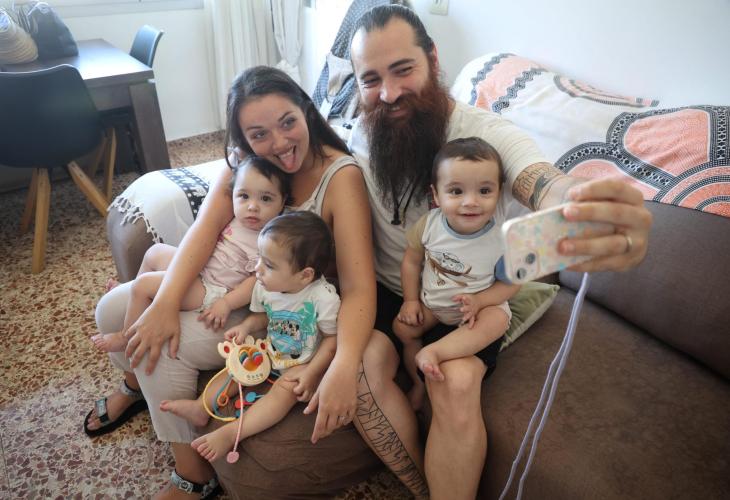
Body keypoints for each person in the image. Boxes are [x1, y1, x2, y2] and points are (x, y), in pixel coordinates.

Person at [346, 5, 653, 499]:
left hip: (468, 300)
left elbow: (540, 181)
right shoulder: (362, 128)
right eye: (371, 79)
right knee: (359, 366)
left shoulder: (487, 134)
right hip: (391, 290)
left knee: (456, 381)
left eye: (403, 70)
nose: (389, 93)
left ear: (433, 59)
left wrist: (577, 208)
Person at [85, 66, 375, 500]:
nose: (279, 143)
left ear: (306, 110)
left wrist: (344, 365)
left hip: (268, 306)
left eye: (288, 123)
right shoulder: (243, 163)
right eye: (259, 134)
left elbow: (358, 287)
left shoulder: (340, 176)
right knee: (112, 309)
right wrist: (164, 302)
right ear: (243, 139)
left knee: (164, 347)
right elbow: (203, 233)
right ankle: (134, 386)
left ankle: (193, 475)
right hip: (228, 284)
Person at [161, 211, 341, 463]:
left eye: (269, 265)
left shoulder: (323, 298)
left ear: (305, 275)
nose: (257, 269)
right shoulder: (266, 286)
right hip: (272, 349)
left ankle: (232, 433)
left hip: (306, 362)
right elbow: (266, 316)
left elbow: (333, 340)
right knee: (238, 365)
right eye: (259, 259)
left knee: (285, 389)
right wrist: (246, 326)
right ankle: (201, 407)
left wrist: (312, 372)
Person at [89, 155, 290, 353]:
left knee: (143, 285)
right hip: (199, 268)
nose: (252, 207)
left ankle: (125, 337)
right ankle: (129, 290)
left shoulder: (268, 239)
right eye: (244, 196)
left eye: (265, 199)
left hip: (211, 288)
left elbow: (255, 281)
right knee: (154, 252)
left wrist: (227, 303)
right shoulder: (235, 216)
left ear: (282, 203)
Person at [393, 137, 520, 411]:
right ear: (436, 195)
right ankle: (418, 383)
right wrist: (410, 301)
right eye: (456, 191)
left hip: (476, 311)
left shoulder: (502, 241)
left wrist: (480, 301)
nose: (471, 202)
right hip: (434, 307)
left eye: (484, 191)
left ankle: (435, 352)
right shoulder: (429, 225)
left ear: (499, 193)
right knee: (402, 328)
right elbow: (411, 263)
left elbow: (511, 286)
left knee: (497, 319)